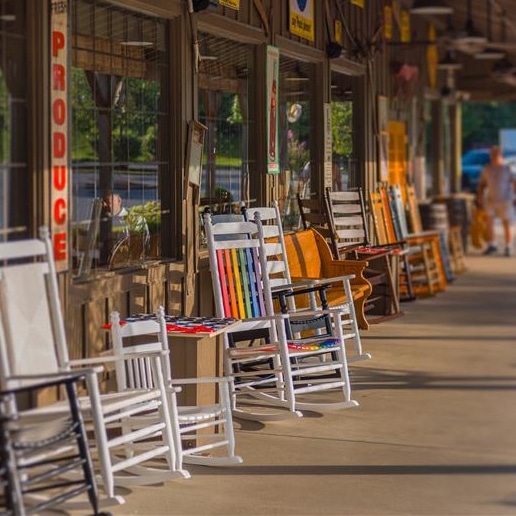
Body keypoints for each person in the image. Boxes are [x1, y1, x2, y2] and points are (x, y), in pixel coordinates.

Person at [477, 145, 516, 256]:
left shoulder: (507, 169)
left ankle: (508, 246)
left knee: (506, 223)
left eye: (496, 155)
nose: (494, 157)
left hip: (506, 200)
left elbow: (514, 182)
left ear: (501, 156)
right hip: (491, 200)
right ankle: (492, 244)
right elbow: (482, 184)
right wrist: (480, 196)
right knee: (489, 222)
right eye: (492, 155)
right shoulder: (487, 169)